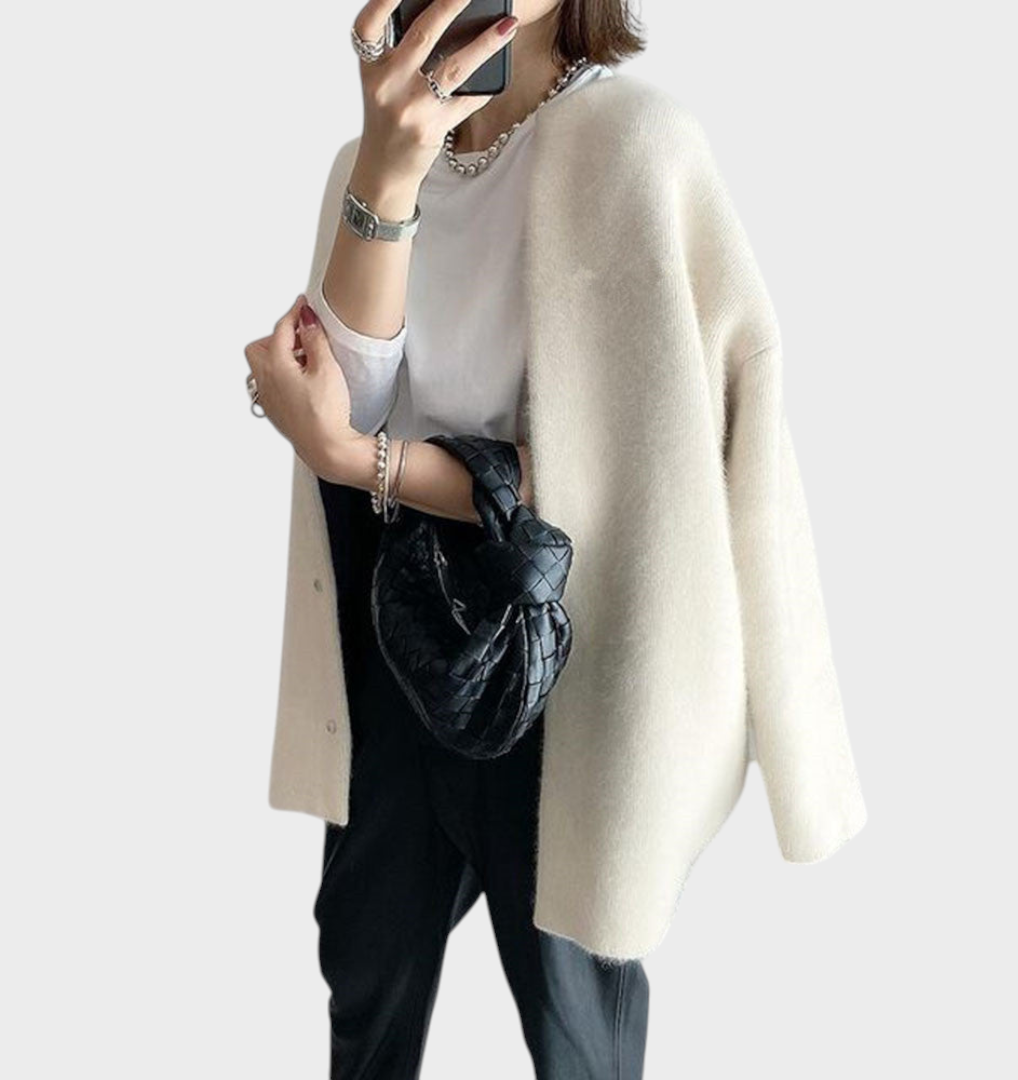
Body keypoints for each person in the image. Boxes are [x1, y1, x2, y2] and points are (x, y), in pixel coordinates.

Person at [243, 0, 868, 1077]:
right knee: (364, 982)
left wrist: (367, 460)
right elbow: (342, 408)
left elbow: (619, 477)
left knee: (576, 1030)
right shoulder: (368, 159)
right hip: (399, 636)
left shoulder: (635, 146)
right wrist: (388, 173)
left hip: (567, 663)